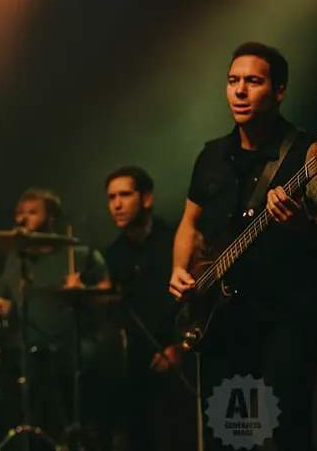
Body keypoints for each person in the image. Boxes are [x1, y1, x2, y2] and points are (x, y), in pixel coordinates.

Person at [169, 42, 317, 451]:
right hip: (222, 321)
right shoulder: (212, 155)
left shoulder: (306, 152)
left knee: (285, 433)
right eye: (233, 80)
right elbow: (189, 223)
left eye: (253, 81)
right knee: (230, 435)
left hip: (286, 316)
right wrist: (180, 269)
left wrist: (305, 225)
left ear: (279, 91)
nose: (240, 90)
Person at [0, 187, 109, 447]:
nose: (22, 219)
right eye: (19, 213)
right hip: (27, 355)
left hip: (71, 352)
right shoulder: (14, 260)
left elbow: (108, 297)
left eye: (32, 212)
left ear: (51, 218)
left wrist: (83, 291)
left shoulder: (79, 255)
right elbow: (6, 309)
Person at [103, 166, 195, 451]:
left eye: (124, 195)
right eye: (111, 197)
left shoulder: (174, 240)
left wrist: (181, 346)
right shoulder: (113, 253)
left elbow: (197, 300)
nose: (116, 204)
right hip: (137, 365)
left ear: (146, 198)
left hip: (182, 357)